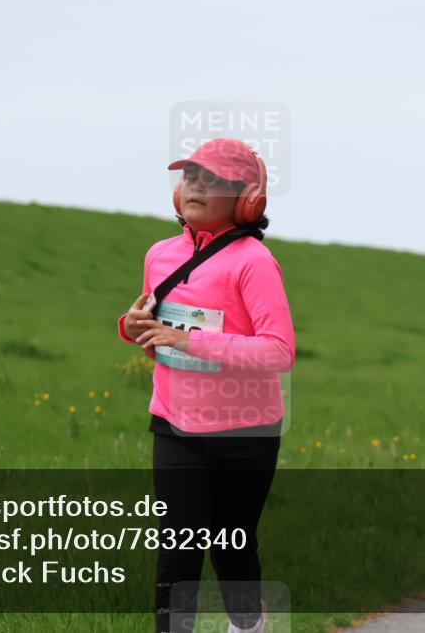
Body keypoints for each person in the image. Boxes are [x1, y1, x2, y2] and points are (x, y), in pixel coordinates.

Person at [116, 138, 295, 633]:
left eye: (212, 180)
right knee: (177, 550)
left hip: (245, 433)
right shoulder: (159, 255)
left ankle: (248, 625)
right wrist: (132, 327)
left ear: (246, 199)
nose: (195, 187)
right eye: (190, 177)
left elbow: (279, 351)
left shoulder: (253, 262)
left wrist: (190, 342)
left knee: (232, 547)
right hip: (176, 424)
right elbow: (154, 327)